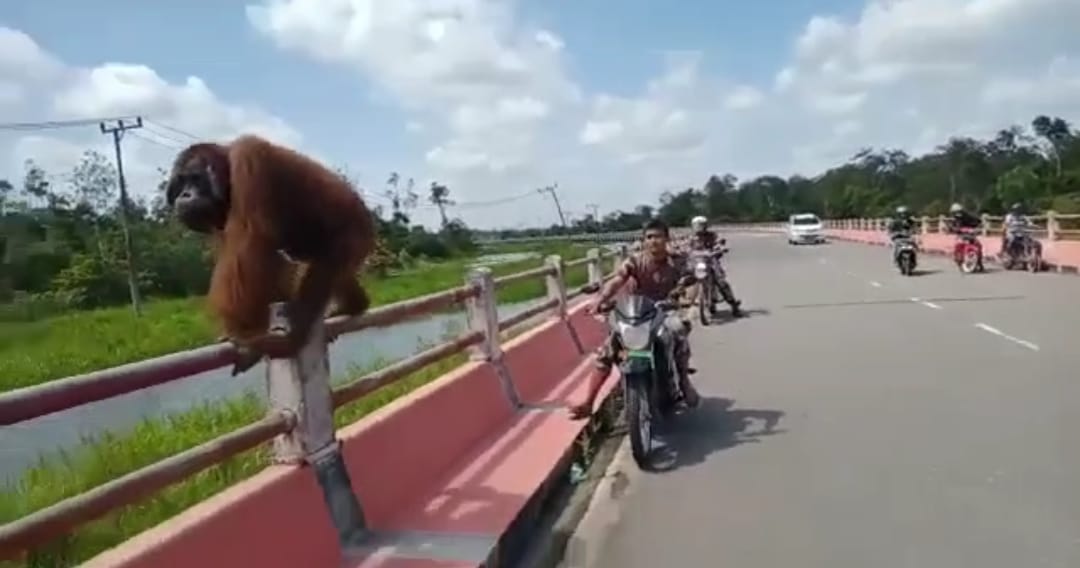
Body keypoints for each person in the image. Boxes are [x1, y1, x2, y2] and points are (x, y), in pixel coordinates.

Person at [570, 218, 700, 419]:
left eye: (658, 236)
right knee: (608, 348)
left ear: (667, 238)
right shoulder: (635, 261)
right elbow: (617, 280)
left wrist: (687, 300)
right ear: (644, 240)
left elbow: (692, 282)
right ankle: (588, 402)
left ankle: (684, 380)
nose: (653, 241)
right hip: (637, 312)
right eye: (649, 237)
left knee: (677, 329)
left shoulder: (679, 261)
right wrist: (600, 300)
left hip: (665, 310)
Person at [688, 215, 743, 317]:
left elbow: (719, 243)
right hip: (698, 262)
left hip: (711, 260)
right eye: (697, 225)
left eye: (701, 225)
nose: (699, 227)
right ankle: (691, 301)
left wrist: (720, 248)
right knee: (687, 279)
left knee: (721, 282)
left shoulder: (712, 235)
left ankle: (733, 304)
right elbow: (685, 247)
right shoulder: (691, 237)